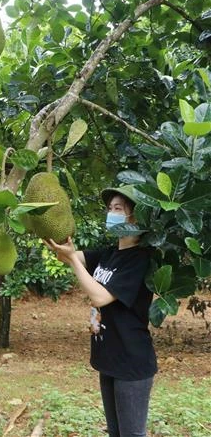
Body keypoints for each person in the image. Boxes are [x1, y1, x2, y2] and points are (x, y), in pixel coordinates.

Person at [43, 186, 157, 437]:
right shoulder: (108, 254)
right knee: (115, 432)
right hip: (109, 359)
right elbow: (67, 255)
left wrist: (73, 259)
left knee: (131, 434)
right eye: (109, 209)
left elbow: (100, 296)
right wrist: (43, 223)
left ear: (134, 218)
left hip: (131, 361)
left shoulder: (139, 259)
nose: (111, 213)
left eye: (118, 209)